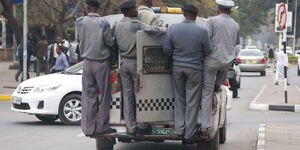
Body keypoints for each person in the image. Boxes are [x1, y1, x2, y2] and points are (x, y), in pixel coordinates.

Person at [114, 0, 165, 136]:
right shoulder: (135, 24)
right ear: (129, 11)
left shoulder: (117, 25)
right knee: (140, 95)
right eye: (134, 8)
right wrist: (165, 30)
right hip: (136, 63)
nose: (137, 10)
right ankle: (142, 125)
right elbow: (153, 30)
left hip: (123, 64)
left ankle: (130, 127)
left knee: (127, 95)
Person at [163, 4, 211, 142]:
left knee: (179, 99)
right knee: (192, 101)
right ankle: (189, 134)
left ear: (184, 13)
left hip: (177, 67)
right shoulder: (202, 31)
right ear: (195, 15)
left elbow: (166, 48)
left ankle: (179, 130)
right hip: (195, 68)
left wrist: (175, 56)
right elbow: (208, 50)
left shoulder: (173, 28)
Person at [77, 0, 116, 139]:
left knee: (88, 96)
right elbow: (110, 42)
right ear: (96, 8)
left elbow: (79, 39)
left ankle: (88, 128)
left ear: (87, 8)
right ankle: (102, 127)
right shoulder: (104, 23)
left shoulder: (79, 22)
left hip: (86, 63)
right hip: (101, 63)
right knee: (105, 95)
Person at [201, 0, 240, 137]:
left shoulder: (211, 21)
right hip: (225, 64)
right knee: (218, 88)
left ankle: (205, 126)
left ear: (218, 10)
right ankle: (216, 103)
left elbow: (204, 40)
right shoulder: (236, 25)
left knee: (206, 92)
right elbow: (236, 46)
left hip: (211, 62)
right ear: (230, 11)